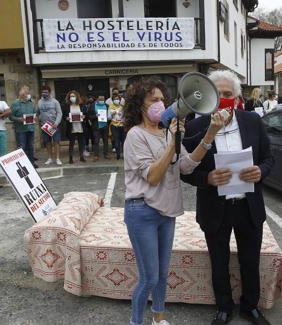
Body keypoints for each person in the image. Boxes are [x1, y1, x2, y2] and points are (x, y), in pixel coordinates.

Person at [123, 77, 224, 325]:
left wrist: (210, 134)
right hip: (142, 211)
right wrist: (172, 143)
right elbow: (154, 176)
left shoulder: (167, 133)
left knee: (161, 274)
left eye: (162, 99)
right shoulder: (135, 136)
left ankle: (159, 318)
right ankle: (136, 322)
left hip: (166, 212)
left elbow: (187, 166)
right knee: (149, 277)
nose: (160, 104)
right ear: (140, 106)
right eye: (153, 100)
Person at [181, 70, 275, 325]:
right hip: (215, 206)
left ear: (236, 97)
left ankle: (250, 306)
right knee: (219, 260)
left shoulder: (252, 121)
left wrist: (260, 171)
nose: (223, 98)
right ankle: (224, 306)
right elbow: (185, 171)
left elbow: (268, 158)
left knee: (250, 259)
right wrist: (207, 178)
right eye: (218, 94)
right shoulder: (196, 126)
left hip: (248, 205)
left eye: (227, 94)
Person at [10, 86, 38, 168]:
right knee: (22, 146)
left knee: (31, 146)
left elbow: (34, 113)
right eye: (27, 93)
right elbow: (10, 116)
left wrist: (35, 117)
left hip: (30, 128)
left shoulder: (31, 103)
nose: (28, 95)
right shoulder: (15, 103)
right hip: (21, 129)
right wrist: (19, 119)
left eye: (28, 93)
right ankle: (23, 164)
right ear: (22, 95)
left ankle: (32, 163)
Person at [37, 85, 63, 165]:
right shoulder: (39, 102)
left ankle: (57, 158)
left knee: (56, 142)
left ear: (49, 92)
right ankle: (49, 158)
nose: (44, 93)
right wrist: (38, 118)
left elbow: (59, 113)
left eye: (46, 92)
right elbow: (37, 112)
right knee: (47, 143)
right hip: (45, 126)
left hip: (54, 125)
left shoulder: (55, 101)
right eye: (43, 92)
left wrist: (56, 123)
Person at [63, 90, 86, 164]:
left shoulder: (81, 106)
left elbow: (86, 114)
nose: (72, 98)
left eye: (73, 96)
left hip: (80, 127)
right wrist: (66, 118)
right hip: (71, 127)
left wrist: (84, 116)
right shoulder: (67, 106)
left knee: (81, 142)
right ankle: (70, 158)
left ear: (77, 97)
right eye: (70, 96)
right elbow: (63, 116)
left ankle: (81, 157)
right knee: (71, 143)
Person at [88, 95, 110, 161]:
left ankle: (106, 154)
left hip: (105, 126)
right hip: (96, 126)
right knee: (96, 141)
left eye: (103, 100)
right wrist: (95, 116)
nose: (102, 101)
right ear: (97, 99)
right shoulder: (92, 106)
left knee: (105, 141)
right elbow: (89, 116)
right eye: (100, 100)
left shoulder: (106, 106)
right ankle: (96, 155)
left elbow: (109, 116)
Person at [109, 95, 125, 160]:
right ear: (113, 100)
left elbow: (125, 116)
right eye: (115, 99)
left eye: (118, 99)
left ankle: (124, 154)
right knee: (116, 141)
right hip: (114, 126)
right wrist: (114, 112)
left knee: (123, 141)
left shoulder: (122, 107)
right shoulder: (111, 107)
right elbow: (109, 117)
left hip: (122, 125)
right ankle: (118, 154)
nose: (117, 100)